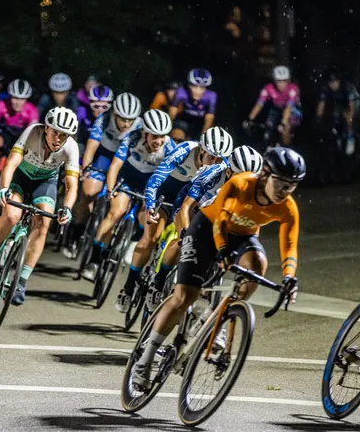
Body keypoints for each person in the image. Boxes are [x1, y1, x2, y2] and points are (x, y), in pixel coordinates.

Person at [130, 147, 304, 389]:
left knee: (258, 265)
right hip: (207, 228)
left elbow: (290, 244)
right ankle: (145, 359)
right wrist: (221, 250)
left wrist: (289, 277)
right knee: (184, 297)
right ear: (265, 175)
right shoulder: (241, 184)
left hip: (242, 236)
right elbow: (220, 220)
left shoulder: (287, 207)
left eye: (292, 186)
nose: (285, 191)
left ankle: (218, 320)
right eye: (281, 183)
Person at [0, 108, 79, 305]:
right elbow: (11, 163)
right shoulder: (32, 132)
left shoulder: (71, 148)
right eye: (55, 132)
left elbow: (72, 184)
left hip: (45, 183)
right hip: (21, 178)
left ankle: (21, 281)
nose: (58, 139)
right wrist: (4, 189)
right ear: (46, 128)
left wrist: (68, 208)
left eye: (63, 135)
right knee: (11, 216)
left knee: (44, 224)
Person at [145, 145, 264, 311]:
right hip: (192, 206)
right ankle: (158, 282)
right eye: (241, 176)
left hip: (218, 214)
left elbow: (252, 221)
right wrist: (187, 234)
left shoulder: (254, 188)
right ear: (229, 171)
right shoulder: (212, 174)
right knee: (184, 242)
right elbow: (186, 207)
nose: (246, 182)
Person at [83, 110, 176, 304]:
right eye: (154, 136)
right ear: (144, 133)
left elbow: (167, 181)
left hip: (151, 184)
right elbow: (115, 166)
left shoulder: (170, 149)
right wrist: (110, 189)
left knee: (147, 219)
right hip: (128, 177)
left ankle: (133, 240)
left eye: (162, 136)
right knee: (116, 212)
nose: (159, 141)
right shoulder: (132, 138)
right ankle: (94, 259)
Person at [68, 92, 142, 255]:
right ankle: (76, 232)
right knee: (88, 192)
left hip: (124, 163)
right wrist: (86, 168)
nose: (126, 123)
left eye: (130, 119)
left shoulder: (139, 126)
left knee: (118, 207)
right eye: (122, 118)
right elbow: (91, 146)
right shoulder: (104, 119)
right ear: (115, 113)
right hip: (105, 155)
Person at [0, 79, 39, 170]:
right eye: (15, 98)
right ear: (9, 96)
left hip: (21, 135)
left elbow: (34, 134)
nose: (18, 102)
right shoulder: (1, 105)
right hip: (4, 132)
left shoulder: (32, 110)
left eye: (22, 99)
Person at [245, 65, 302, 146]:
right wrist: (250, 118)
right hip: (276, 110)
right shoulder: (268, 88)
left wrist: (283, 123)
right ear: (274, 80)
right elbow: (259, 104)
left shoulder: (293, 89)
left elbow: (288, 108)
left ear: (288, 80)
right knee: (268, 129)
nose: (282, 84)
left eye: (284, 81)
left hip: (293, 110)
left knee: (285, 129)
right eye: (279, 81)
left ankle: (288, 148)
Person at [315, 68, 360, 156]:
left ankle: (350, 139)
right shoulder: (325, 89)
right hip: (335, 107)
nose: (333, 84)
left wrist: (349, 118)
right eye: (331, 82)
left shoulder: (347, 88)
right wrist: (318, 119)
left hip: (350, 105)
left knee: (348, 117)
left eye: (335, 82)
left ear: (339, 81)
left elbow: (351, 107)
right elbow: (321, 106)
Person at [170, 69, 217, 137]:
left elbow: (209, 119)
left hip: (200, 124)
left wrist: (203, 138)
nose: (198, 91)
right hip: (183, 121)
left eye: (202, 87)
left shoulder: (211, 96)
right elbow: (172, 113)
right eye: (194, 86)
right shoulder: (181, 92)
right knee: (177, 135)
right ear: (189, 85)